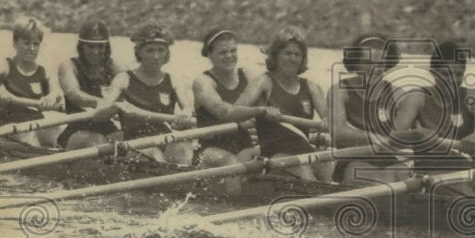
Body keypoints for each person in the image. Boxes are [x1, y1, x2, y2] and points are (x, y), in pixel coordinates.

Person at [391, 40, 475, 197]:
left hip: (466, 166)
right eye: (446, 74)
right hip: (431, 169)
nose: (453, 80)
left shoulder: (473, 95)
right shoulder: (417, 97)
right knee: (467, 195)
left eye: (458, 74)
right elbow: (393, 138)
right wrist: (416, 135)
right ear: (433, 73)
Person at [236, 27, 332, 182]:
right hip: (274, 153)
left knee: (329, 166)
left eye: (297, 54)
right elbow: (235, 111)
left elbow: (333, 123)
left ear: (302, 59)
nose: (292, 59)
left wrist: (329, 122)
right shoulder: (264, 82)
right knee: (305, 172)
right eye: (287, 53)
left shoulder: (312, 88)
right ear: (275, 56)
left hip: (304, 150)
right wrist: (261, 110)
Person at [190, 28, 278, 194]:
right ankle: (233, 207)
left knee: (282, 151)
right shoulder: (203, 81)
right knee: (232, 163)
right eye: (223, 52)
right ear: (209, 55)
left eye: (233, 51)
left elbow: (272, 102)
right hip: (211, 150)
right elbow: (223, 111)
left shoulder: (248, 74)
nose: (230, 56)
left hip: (246, 148)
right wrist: (259, 111)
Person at [97, 24, 195, 165]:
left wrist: (186, 111)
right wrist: (115, 107)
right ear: (139, 52)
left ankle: (182, 180)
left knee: (183, 147)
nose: (156, 56)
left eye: (160, 50)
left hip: (164, 140)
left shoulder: (174, 80)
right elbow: (98, 115)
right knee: (155, 155)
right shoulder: (124, 79)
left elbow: (188, 107)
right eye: (150, 50)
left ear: (166, 53)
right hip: (135, 144)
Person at [327, 33, 410, 184]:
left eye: (380, 63)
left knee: (406, 174)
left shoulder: (399, 95)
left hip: (388, 160)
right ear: (356, 62)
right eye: (368, 63)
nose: (375, 69)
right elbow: (338, 133)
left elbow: (411, 133)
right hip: (354, 159)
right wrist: (375, 138)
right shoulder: (340, 90)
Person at [0, 16, 65, 148]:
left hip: (36, 127)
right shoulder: (5, 66)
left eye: (36, 44)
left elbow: (56, 91)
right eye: (26, 43)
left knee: (58, 135)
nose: (32, 48)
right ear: (15, 43)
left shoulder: (45, 72)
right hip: (8, 129)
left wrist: (51, 96)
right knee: (35, 139)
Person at [56, 18, 124, 150]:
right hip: (77, 128)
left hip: (108, 128)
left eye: (100, 46)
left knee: (129, 140)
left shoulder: (115, 67)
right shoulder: (69, 66)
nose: (95, 52)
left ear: (107, 47)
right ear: (81, 46)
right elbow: (74, 94)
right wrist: (101, 103)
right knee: (97, 141)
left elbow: (130, 87)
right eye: (90, 46)